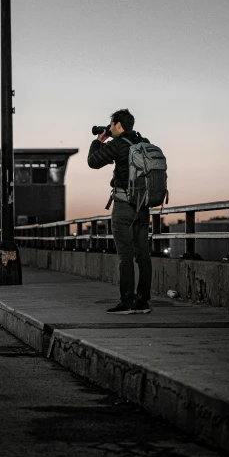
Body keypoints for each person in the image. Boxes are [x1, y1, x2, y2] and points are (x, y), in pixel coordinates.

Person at [87, 108, 152, 314]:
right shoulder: (144, 143)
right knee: (143, 254)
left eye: (112, 125)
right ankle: (143, 302)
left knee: (125, 255)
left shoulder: (118, 145)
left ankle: (127, 302)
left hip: (124, 205)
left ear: (117, 125)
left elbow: (93, 162)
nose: (111, 128)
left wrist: (99, 140)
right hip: (143, 205)